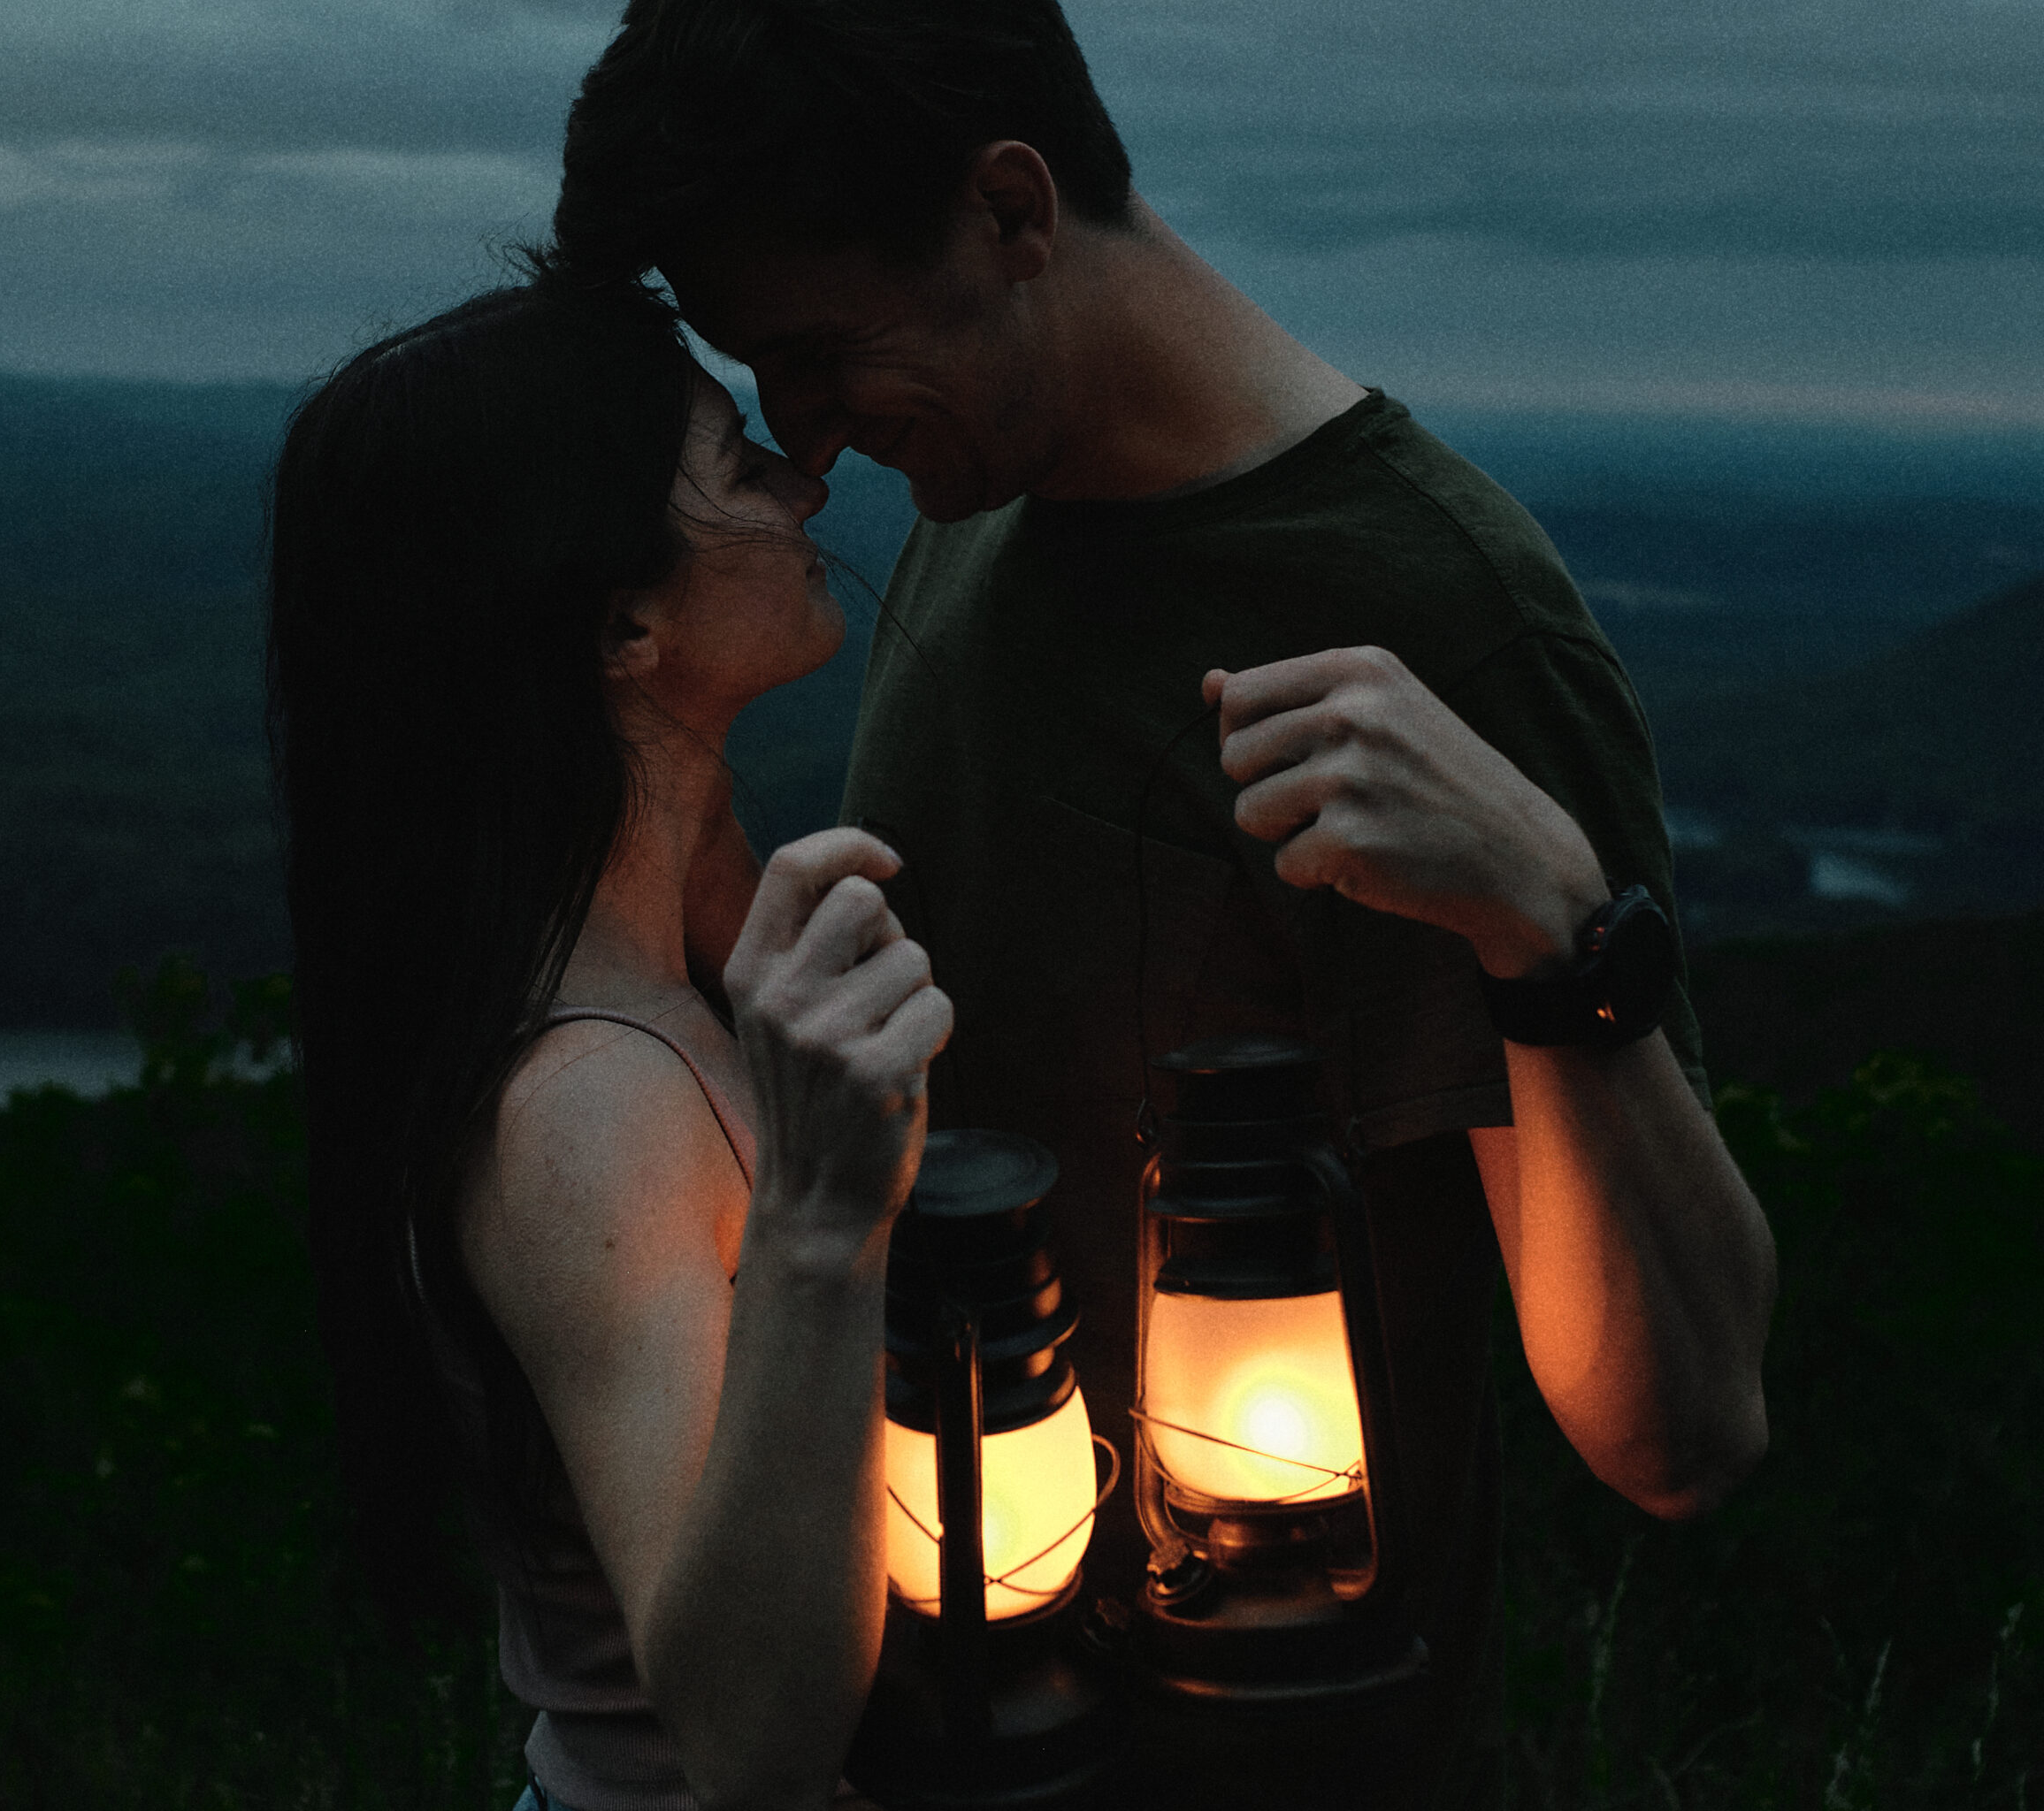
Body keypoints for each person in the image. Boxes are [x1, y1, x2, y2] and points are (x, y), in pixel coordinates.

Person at [549, 3, 1780, 1805]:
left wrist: (1554, 928)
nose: (800, 446)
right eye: (761, 380)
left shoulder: (1431, 609)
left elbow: (1683, 1431)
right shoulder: (980, 500)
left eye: (819, 355)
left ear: (1010, 208)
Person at [266, 268, 951, 1811]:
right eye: (732, 461)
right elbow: (749, 1745)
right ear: (627, 621)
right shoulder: (589, 1114)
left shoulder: (675, 941)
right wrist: (823, 1223)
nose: (806, 478)